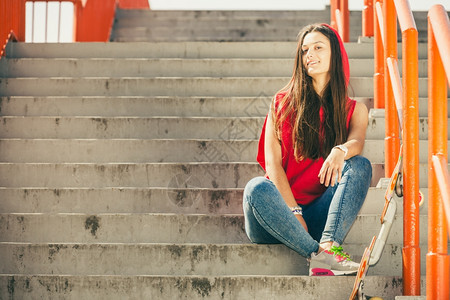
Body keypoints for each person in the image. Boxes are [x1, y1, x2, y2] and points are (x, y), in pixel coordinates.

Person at [242, 23, 372, 276]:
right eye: (304, 50)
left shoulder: (355, 110)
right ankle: (320, 256)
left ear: (336, 54)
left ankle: (328, 246)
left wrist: (340, 150)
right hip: (277, 214)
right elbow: (273, 165)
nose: (309, 54)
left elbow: (357, 141)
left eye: (318, 47)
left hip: (322, 214)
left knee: (360, 165)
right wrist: (294, 213)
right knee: (255, 187)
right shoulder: (281, 102)